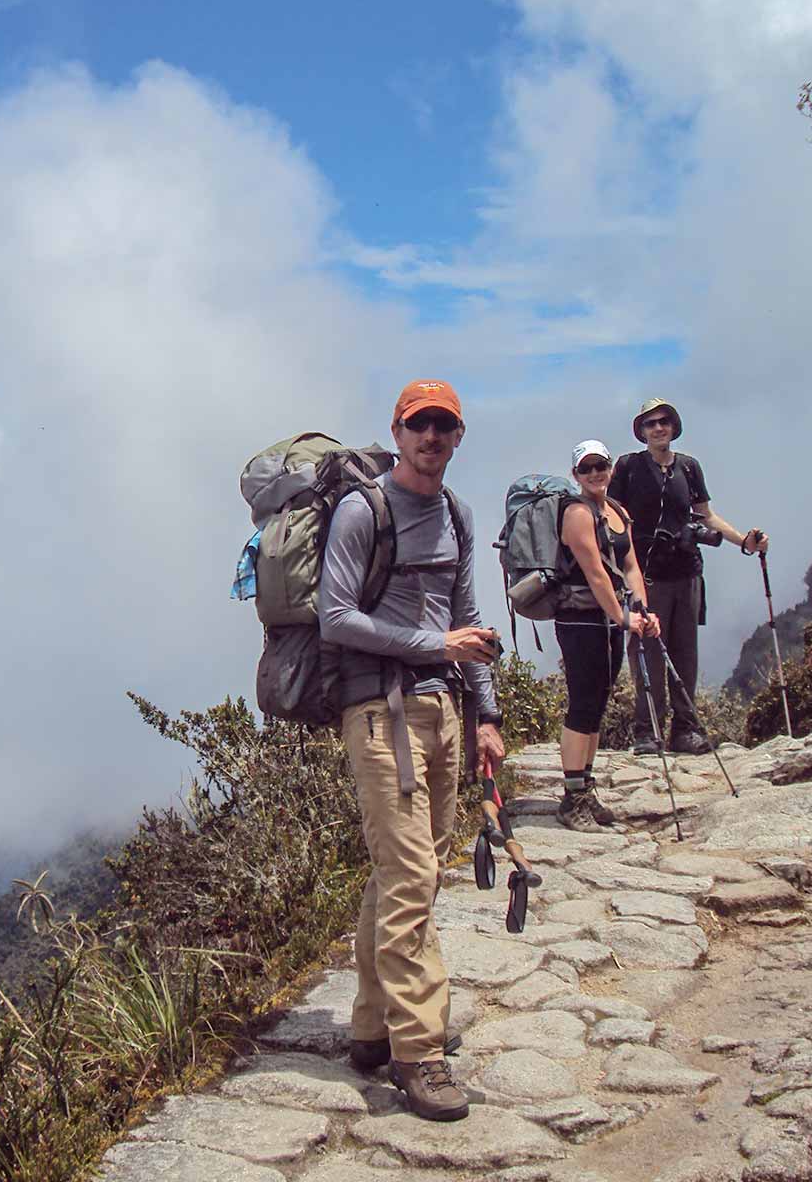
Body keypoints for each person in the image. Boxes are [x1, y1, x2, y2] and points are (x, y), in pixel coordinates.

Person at [319, 378, 505, 1123]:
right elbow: (336, 616)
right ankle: (419, 1053)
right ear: (397, 432)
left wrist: (487, 712)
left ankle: (369, 1028)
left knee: (406, 869)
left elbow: (468, 618)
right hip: (379, 711)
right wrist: (436, 645)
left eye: (445, 427)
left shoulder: (456, 513)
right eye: (419, 425)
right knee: (412, 876)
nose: (432, 438)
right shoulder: (363, 511)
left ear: (458, 438)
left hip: (444, 709)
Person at [608, 398, 768, 756]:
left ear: (674, 426)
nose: (658, 428)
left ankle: (685, 730)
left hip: (687, 573)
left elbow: (706, 516)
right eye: (650, 423)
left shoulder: (689, 468)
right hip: (646, 576)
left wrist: (744, 541)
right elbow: (612, 513)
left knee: (685, 653)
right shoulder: (629, 467)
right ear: (642, 431)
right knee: (647, 652)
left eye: (664, 421)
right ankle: (647, 733)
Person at [554, 439, 658, 829]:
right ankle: (571, 797)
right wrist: (623, 617)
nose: (595, 473)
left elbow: (630, 565)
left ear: (611, 468)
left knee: (598, 702)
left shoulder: (616, 511)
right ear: (576, 475)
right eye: (587, 468)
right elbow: (596, 573)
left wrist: (641, 609)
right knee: (583, 702)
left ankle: (585, 786)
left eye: (601, 466)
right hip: (579, 618)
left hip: (608, 619)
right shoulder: (577, 514)